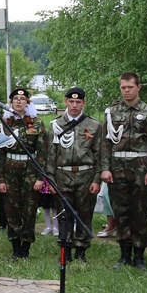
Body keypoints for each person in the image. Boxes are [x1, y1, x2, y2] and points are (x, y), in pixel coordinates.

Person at [100, 72, 147, 270]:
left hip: (140, 167)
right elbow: (106, 143)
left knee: (140, 212)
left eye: (130, 87)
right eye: (123, 87)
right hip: (117, 167)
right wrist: (105, 168)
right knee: (121, 211)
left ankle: (140, 255)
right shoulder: (112, 112)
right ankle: (125, 254)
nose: (127, 91)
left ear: (138, 87)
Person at [44, 87, 103, 262]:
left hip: (86, 174)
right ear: (66, 102)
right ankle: (66, 250)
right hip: (63, 175)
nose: (74, 105)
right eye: (71, 101)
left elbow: (100, 154)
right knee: (64, 214)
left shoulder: (94, 125)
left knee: (84, 213)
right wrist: (51, 179)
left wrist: (97, 179)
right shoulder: (56, 125)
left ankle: (81, 251)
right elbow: (50, 155)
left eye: (78, 102)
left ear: (84, 103)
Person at [0, 88, 48, 260]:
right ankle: (15, 248)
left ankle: (26, 247)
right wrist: (1, 179)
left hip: (30, 170)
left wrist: (40, 178)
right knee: (11, 209)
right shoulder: (5, 123)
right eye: (15, 99)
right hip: (10, 170)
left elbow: (42, 152)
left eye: (22, 99)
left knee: (29, 209)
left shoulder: (37, 123)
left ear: (28, 103)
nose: (18, 101)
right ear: (10, 103)